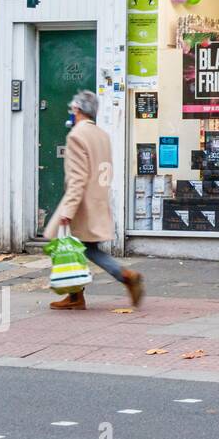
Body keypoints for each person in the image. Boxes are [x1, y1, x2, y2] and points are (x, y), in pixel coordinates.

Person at [44, 91, 144, 311]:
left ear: (77, 110)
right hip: (98, 198)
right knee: (82, 248)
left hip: (80, 202)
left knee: (67, 247)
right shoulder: (101, 134)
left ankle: (125, 276)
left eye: (73, 109)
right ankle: (75, 296)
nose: (72, 112)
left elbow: (77, 176)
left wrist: (68, 210)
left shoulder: (76, 136)